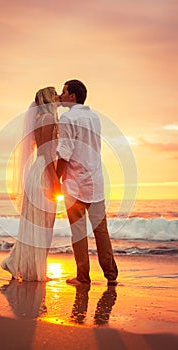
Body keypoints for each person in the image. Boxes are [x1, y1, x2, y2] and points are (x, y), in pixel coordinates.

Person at [56, 79, 118, 287]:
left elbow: (65, 152)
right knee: (101, 230)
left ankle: (83, 276)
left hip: (75, 183)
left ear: (72, 96)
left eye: (64, 92)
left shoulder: (67, 118)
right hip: (96, 181)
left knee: (79, 232)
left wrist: (56, 179)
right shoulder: (94, 117)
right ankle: (111, 274)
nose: (61, 95)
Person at [1, 87, 60, 281]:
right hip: (44, 171)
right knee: (44, 223)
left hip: (38, 170)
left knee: (34, 222)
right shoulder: (49, 120)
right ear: (48, 99)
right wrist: (54, 180)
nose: (58, 95)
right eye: (55, 93)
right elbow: (45, 152)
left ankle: (22, 264)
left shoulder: (38, 119)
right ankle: (31, 268)